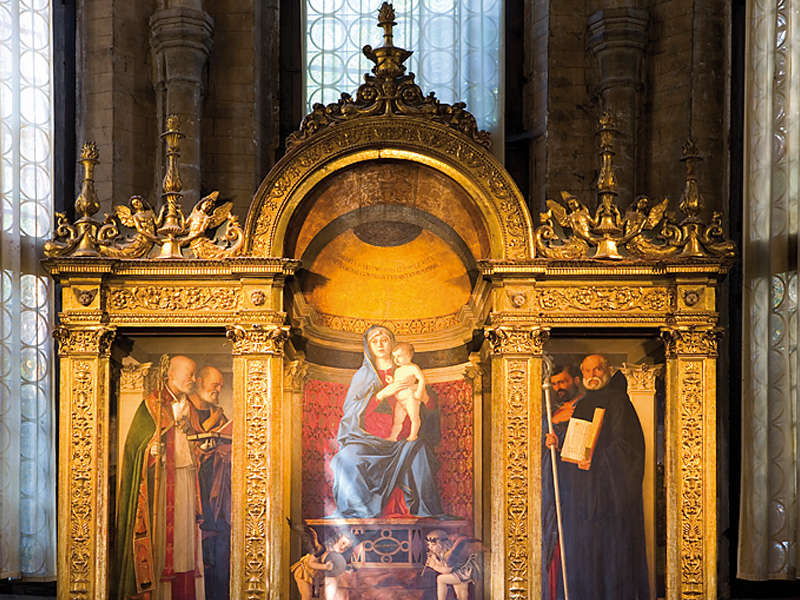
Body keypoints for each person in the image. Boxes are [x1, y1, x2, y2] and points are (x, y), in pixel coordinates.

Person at [544, 354, 648, 600]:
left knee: (611, 564)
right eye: (588, 371)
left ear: (608, 371)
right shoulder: (581, 406)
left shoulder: (619, 402)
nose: (592, 375)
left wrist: (595, 460)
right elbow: (574, 453)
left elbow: (629, 450)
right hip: (583, 503)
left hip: (609, 503)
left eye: (597, 369)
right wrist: (558, 447)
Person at [115, 355, 206, 600]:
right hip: (164, 483)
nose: (194, 380)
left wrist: (201, 446)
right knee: (164, 541)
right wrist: (149, 450)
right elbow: (134, 447)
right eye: (190, 375)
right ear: (172, 374)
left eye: (195, 375)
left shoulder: (191, 406)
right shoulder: (152, 404)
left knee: (185, 544)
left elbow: (193, 443)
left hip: (186, 480)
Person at [330, 325, 444, 518]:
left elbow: (431, 407)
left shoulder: (407, 370)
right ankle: (356, 516)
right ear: (368, 347)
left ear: (392, 344)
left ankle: (424, 517)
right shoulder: (362, 376)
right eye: (374, 341)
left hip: (402, 441)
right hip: (368, 442)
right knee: (346, 458)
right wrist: (382, 394)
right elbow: (350, 412)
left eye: (384, 340)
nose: (380, 344)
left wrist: (424, 397)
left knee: (420, 453)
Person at [189, 366, 231, 600]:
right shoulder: (183, 412)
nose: (218, 389)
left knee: (218, 553)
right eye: (214, 384)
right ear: (198, 381)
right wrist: (200, 451)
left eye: (221, 386)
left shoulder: (219, 416)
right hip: (191, 496)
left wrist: (224, 452)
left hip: (216, 497)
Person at [542, 364, 583, 600]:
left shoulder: (582, 407)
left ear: (575, 381)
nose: (558, 387)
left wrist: (560, 444)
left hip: (575, 486)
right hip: (553, 483)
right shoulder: (554, 411)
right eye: (555, 383)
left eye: (563, 382)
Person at [424, 530, 481, 600]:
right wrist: (435, 561)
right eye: (428, 544)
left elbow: (447, 570)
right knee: (460, 591)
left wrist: (434, 566)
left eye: (433, 545)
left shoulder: (448, 555)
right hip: (458, 572)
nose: (430, 547)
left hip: (464, 572)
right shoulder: (442, 553)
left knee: (440, 579)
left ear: (442, 544)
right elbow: (445, 568)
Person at [386, 342, 426, 442]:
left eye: (399, 356)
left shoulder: (413, 368)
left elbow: (422, 379)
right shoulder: (397, 371)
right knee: (397, 421)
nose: (396, 359)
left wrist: (419, 393)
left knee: (414, 417)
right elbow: (397, 383)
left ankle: (413, 435)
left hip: (410, 398)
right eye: (394, 356)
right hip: (400, 401)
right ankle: (393, 437)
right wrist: (392, 381)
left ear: (408, 356)